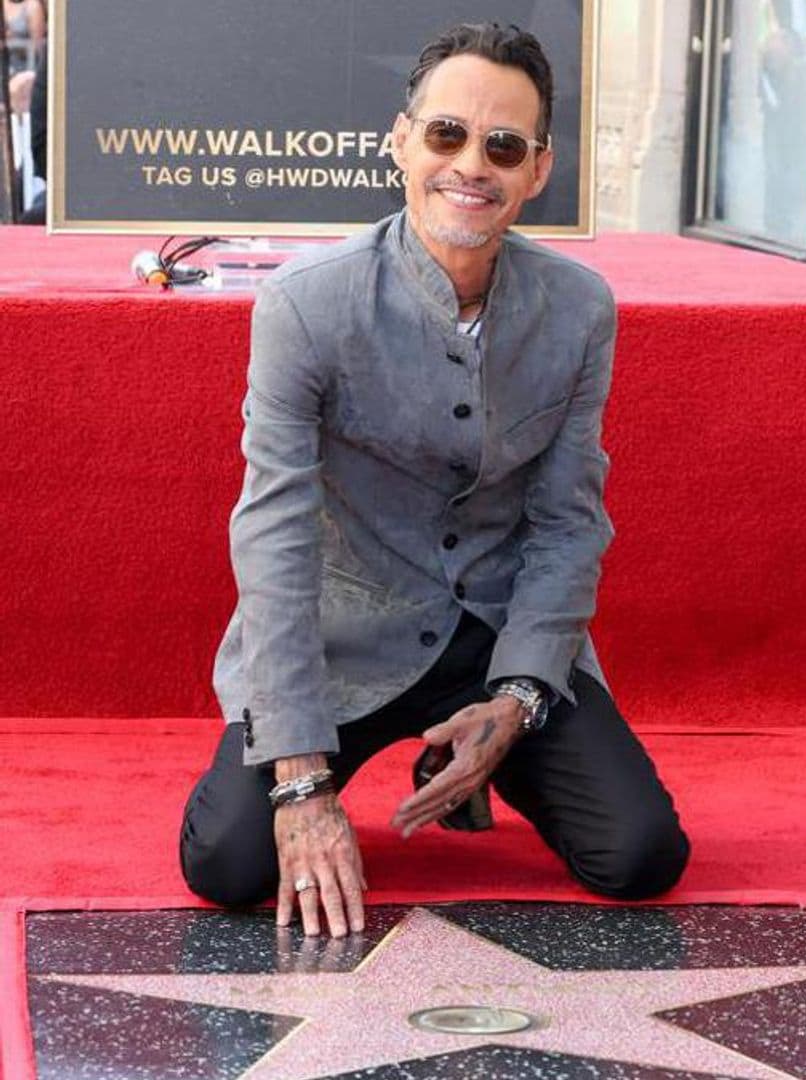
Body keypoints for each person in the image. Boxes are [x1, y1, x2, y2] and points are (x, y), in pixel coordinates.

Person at [178, 23, 690, 941]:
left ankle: (466, 752)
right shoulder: (307, 302)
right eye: (447, 135)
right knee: (230, 864)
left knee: (641, 854)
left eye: (503, 147)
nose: (472, 166)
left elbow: (569, 522)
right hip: (343, 644)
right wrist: (299, 781)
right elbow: (275, 537)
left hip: (494, 638)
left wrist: (520, 697)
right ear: (401, 141)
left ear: (537, 170)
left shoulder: (579, 310)